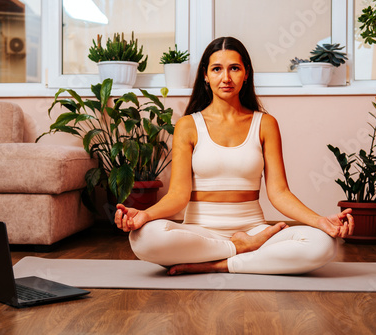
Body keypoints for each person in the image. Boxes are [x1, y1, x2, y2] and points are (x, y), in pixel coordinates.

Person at [114, 36, 354, 276]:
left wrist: (320, 221)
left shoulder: (265, 124)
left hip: (254, 232)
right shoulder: (188, 125)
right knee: (144, 238)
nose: (226, 78)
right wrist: (145, 215)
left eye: (234, 69)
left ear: (246, 73)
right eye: (217, 69)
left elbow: (279, 193)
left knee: (323, 244)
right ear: (205, 75)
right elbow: (178, 195)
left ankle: (220, 263)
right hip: (200, 233)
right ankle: (237, 250)